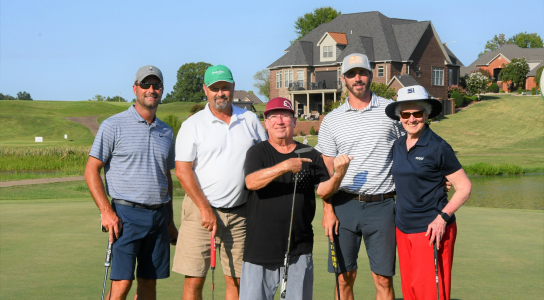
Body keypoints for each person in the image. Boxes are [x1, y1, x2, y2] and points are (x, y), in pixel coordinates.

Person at [240, 97, 351, 300]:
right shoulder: (258, 151)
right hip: (259, 249)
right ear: (266, 123)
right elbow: (251, 182)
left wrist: (338, 175)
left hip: (298, 249)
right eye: (273, 117)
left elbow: (324, 191)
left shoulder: (310, 153)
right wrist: (285, 166)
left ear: (294, 121)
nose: (279, 121)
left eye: (285, 116)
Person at [172, 65, 267, 300]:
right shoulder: (192, 125)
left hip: (240, 213)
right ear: (205, 89)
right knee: (194, 280)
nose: (220, 93)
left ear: (233, 87)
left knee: (237, 279)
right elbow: (182, 171)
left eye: (225, 87)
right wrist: (205, 209)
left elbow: (264, 159)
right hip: (199, 213)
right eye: (215, 88)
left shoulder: (250, 120)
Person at [315, 53, 404, 300]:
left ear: (371, 74)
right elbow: (326, 173)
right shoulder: (332, 120)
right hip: (344, 205)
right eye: (352, 74)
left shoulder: (391, 111)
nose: (358, 78)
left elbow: (409, 149)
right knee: (344, 278)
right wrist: (327, 210)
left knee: (383, 279)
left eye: (362, 73)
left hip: (383, 205)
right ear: (343, 78)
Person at [85, 65, 177, 300]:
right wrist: (106, 211)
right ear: (135, 88)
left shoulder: (166, 132)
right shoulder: (113, 125)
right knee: (122, 284)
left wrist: (170, 221)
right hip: (125, 215)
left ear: (162, 91)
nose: (151, 89)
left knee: (149, 284)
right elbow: (91, 170)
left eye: (156, 85)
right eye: (146, 84)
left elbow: (165, 178)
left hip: (158, 217)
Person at [385, 85, 472, 300]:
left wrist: (442, 218)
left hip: (431, 230)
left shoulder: (438, 146)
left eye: (418, 114)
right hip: (403, 228)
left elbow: (464, 187)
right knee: (411, 290)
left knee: (430, 293)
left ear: (426, 115)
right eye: (406, 114)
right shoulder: (397, 145)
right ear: (400, 117)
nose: (412, 119)